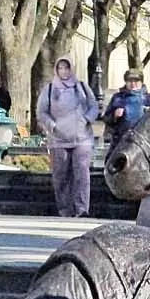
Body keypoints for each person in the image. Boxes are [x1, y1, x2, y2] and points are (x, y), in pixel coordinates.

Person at [37, 55, 100, 217]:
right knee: (61, 175)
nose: (64, 71)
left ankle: (82, 209)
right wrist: (53, 125)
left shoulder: (82, 87)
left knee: (82, 173)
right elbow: (42, 112)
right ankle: (65, 209)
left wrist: (86, 119)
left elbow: (94, 106)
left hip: (82, 138)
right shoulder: (50, 89)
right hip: (59, 139)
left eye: (66, 68)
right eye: (60, 68)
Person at [103, 68, 150, 150]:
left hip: (144, 143)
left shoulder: (149, 99)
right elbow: (106, 119)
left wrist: (148, 112)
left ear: (141, 82)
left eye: (136, 81)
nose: (133, 84)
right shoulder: (118, 98)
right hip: (121, 141)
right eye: (130, 81)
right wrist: (114, 115)